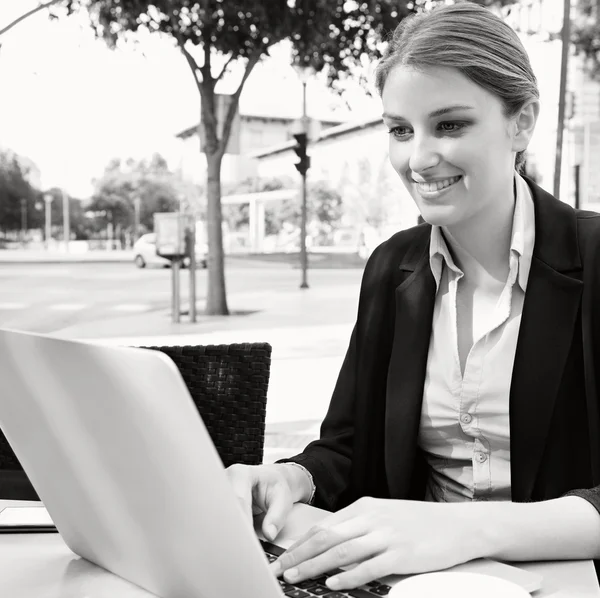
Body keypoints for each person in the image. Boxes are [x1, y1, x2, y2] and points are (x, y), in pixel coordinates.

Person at [227, 1, 600, 591]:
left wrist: (466, 530)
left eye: (449, 125)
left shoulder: (595, 255)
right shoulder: (392, 267)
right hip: (417, 584)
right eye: (400, 129)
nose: (417, 158)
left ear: (521, 122)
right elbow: (349, 447)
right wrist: (294, 476)